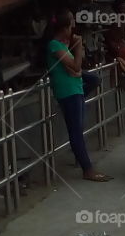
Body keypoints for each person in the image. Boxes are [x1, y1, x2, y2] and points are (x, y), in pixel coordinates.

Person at [47, 9, 111, 182]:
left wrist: (77, 68)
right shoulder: (54, 46)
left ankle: (86, 167)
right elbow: (75, 66)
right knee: (76, 132)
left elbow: (75, 68)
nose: (74, 26)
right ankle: (88, 170)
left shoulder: (62, 46)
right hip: (67, 92)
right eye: (72, 23)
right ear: (65, 27)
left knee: (94, 79)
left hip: (75, 90)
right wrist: (79, 46)